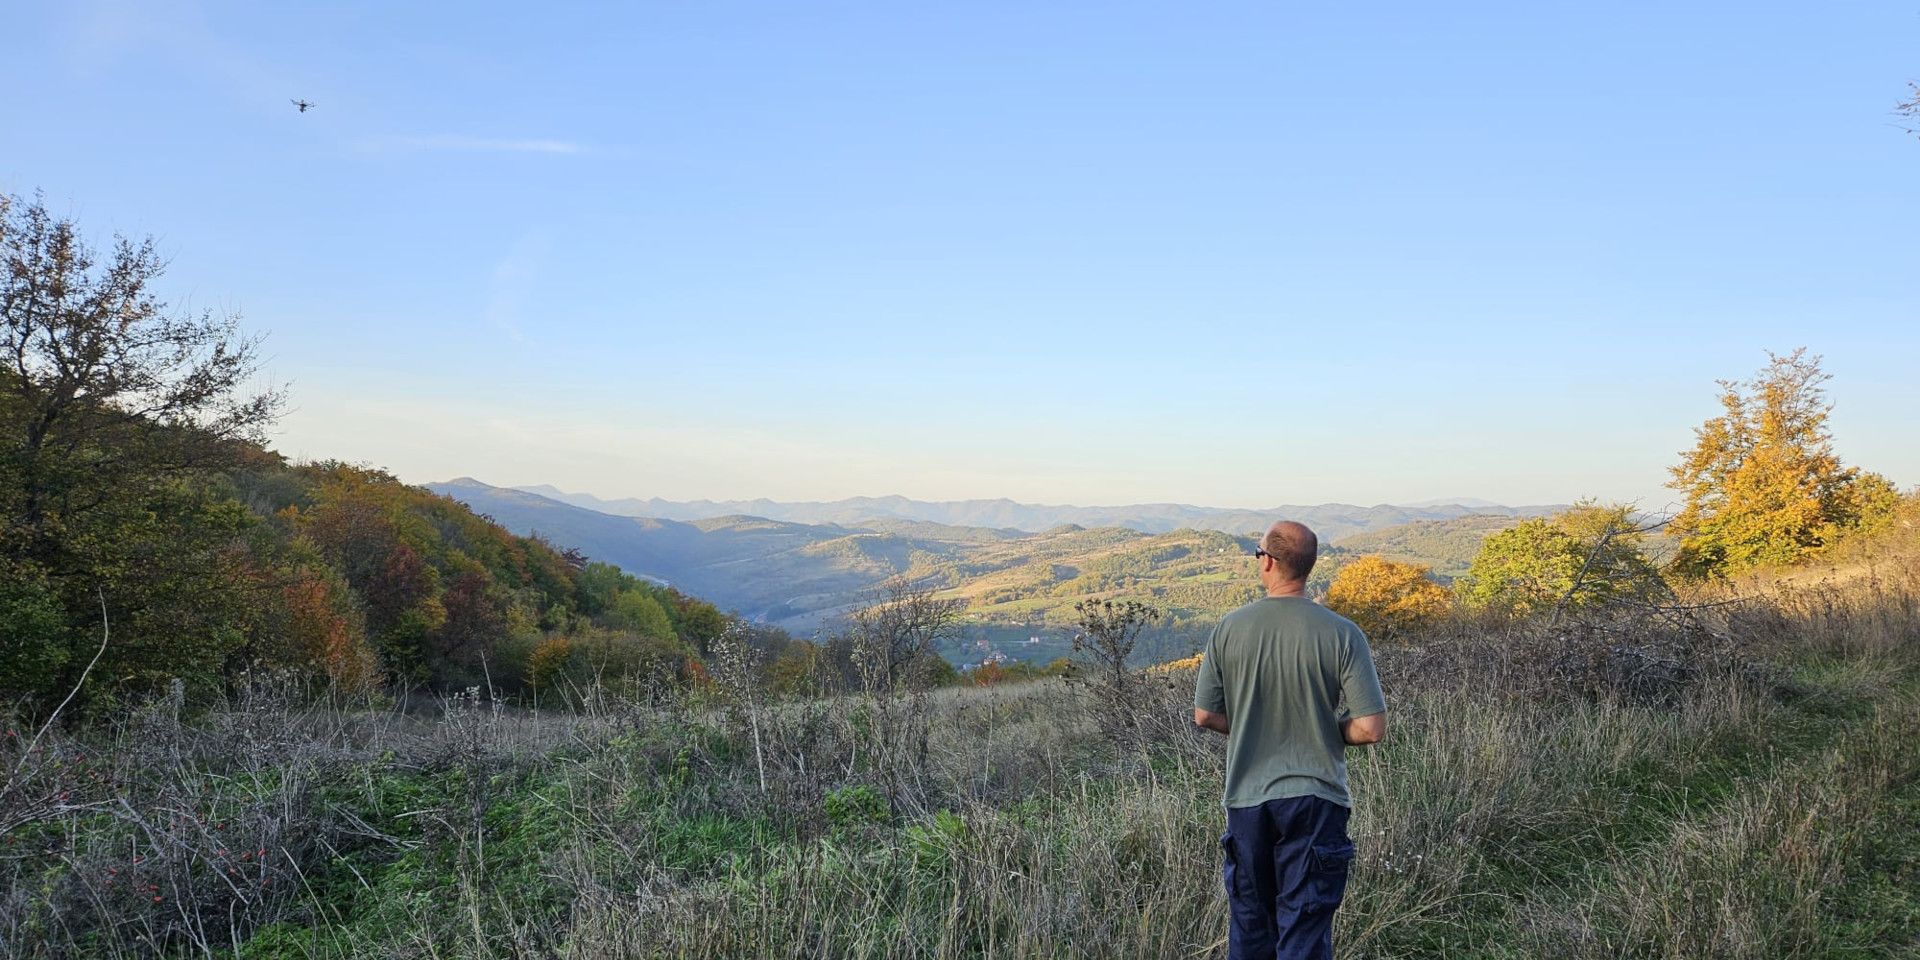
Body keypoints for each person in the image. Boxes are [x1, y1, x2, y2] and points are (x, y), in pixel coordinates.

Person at [1193, 520, 1387, 960]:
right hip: (1318, 800)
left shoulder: (1229, 628)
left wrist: (1253, 725)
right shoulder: (1343, 633)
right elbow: (1370, 728)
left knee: (1251, 929)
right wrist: (1321, 729)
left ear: (1268, 562)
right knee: (1304, 932)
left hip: (1248, 801)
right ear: (1307, 566)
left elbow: (1205, 715)